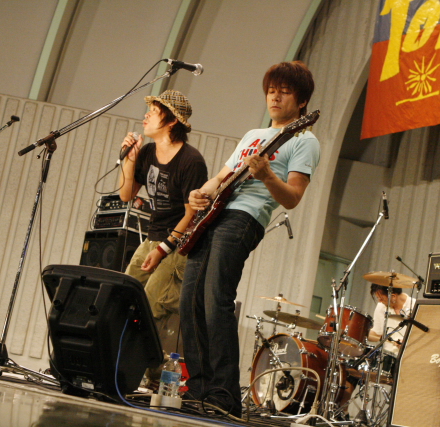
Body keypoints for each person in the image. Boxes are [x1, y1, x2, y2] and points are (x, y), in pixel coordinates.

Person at [180, 61, 321, 416]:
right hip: (215, 214)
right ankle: (197, 389)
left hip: (245, 218)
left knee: (216, 299)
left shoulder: (304, 140)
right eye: (271, 90)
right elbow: (221, 178)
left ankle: (223, 394)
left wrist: (269, 176)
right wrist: (201, 193)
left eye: (284, 92)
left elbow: (293, 198)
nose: (275, 97)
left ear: (302, 101)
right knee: (190, 300)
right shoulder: (252, 135)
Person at [119, 90, 208, 340]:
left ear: (172, 121)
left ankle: (149, 364)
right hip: (153, 237)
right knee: (121, 297)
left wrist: (163, 249)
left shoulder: (191, 161)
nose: (146, 115)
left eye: (154, 112)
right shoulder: (148, 152)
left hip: (178, 246)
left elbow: (192, 215)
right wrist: (130, 159)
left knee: (150, 308)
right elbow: (126, 195)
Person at [367, 283, 416, 354]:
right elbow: (377, 333)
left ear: (393, 296)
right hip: (388, 355)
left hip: (411, 354)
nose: (379, 301)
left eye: (381, 298)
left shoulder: (415, 306)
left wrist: (408, 342)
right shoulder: (381, 306)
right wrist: (360, 331)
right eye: (378, 298)